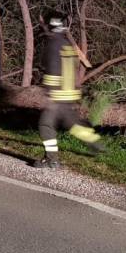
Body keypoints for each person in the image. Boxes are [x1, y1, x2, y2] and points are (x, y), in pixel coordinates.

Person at [34, 12, 104, 168]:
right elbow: (73, 69)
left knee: (45, 125)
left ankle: (52, 160)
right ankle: (94, 141)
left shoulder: (52, 45)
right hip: (70, 95)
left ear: (50, 27)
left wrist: (50, 93)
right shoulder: (68, 45)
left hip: (57, 96)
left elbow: (52, 69)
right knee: (73, 124)